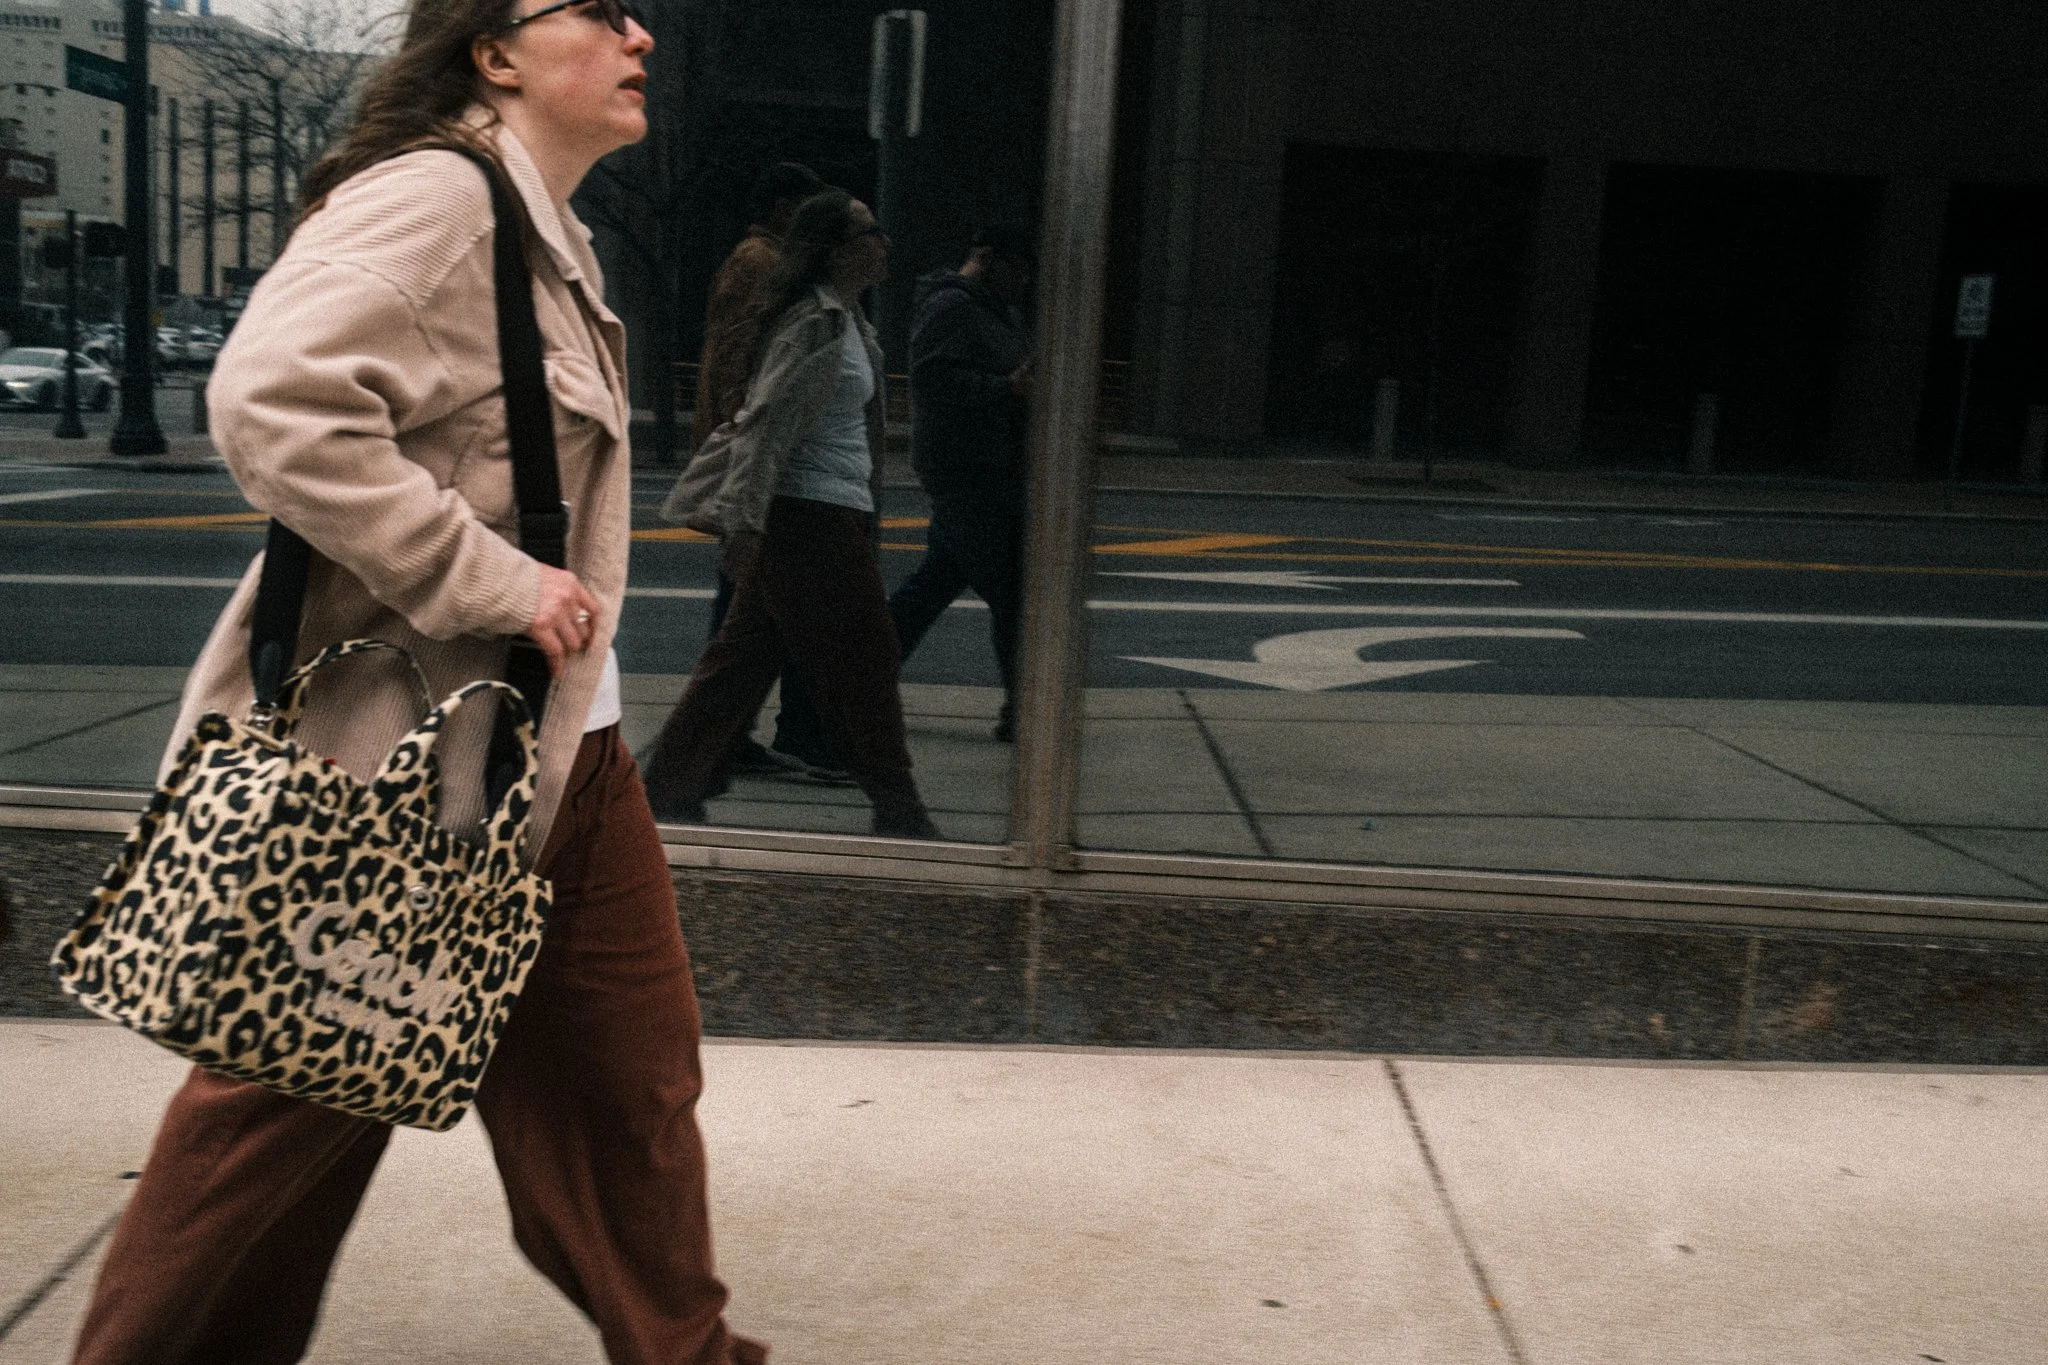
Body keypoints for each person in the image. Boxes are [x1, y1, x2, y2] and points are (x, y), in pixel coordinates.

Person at [67, 4, 764, 1363]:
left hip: (565, 754)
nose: (643, 36)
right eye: (600, 10)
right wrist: (498, 585)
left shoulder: (537, 226)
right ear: (494, 51)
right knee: (282, 1106)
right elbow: (271, 400)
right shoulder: (438, 200)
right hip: (409, 769)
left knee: (629, 1093)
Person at [642, 190, 940, 839]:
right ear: (838, 250)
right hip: (806, 511)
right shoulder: (811, 322)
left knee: (743, 657)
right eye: (870, 231)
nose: (883, 241)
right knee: (868, 654)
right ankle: (900, 805)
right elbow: (765, 427)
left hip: (831, 509)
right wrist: (746, 522)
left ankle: (668, 786)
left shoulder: (851, 321)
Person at [691, 160, 845, 784]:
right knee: (749, 600)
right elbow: (738, 354)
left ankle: (728, 734)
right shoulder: (759, 263)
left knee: (753, 602)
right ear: (782, 206)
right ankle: (730, 735)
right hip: (756, 457)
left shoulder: (761, 259)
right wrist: (742, 449)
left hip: (757, 454)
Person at [888, 222, 1036, 741]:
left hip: (988, 466)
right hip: (966, 469)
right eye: (1017, 270)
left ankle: (850, 689)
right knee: (1014, 594)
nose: (1024, 282)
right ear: (989, 258)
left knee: (933, 585)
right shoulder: (952, 306)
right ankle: (1023, 713)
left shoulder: (998, 312)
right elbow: (931, 379)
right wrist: (1006, 387)